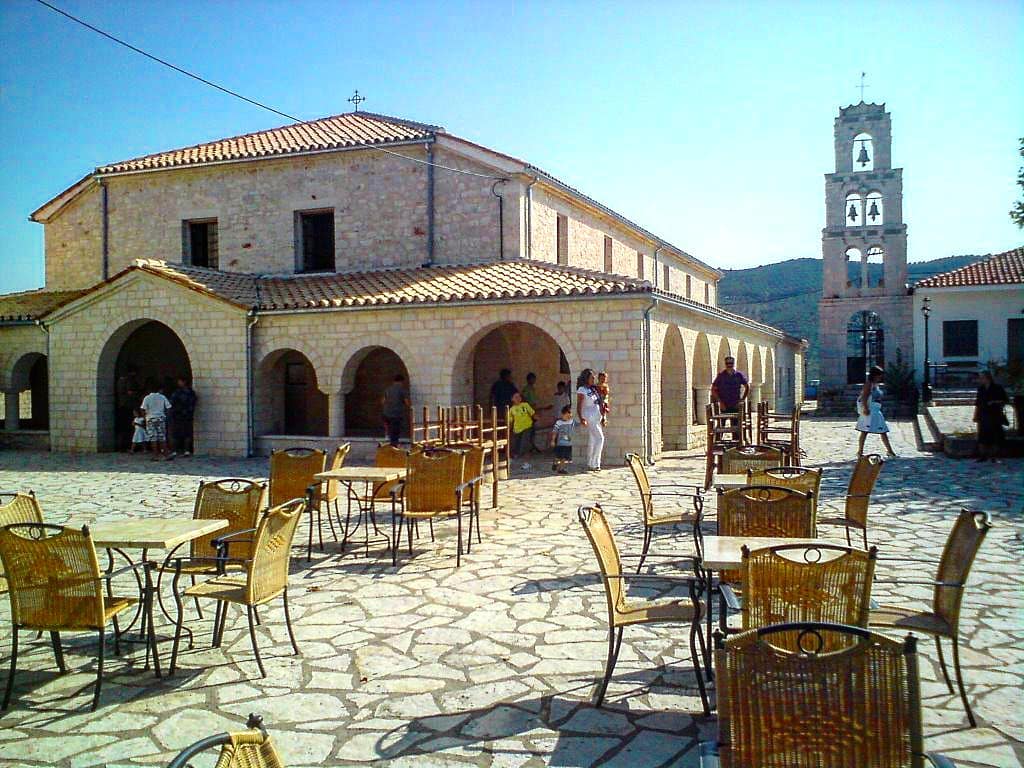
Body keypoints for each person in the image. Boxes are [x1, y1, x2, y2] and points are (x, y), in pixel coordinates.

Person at [856, 365, 897, 458]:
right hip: (870, 410)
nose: (880, 377)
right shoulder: (869, 384)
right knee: (865, 431)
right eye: (879, 375)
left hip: (876, 410)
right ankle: (860, 452)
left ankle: (890, 451)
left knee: (882, 430)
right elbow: (864, 397)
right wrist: (866, 408)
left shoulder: (875, 385)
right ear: (875, 375)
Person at [973, 371, 1008, 462]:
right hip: (983, 414)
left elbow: (1004, 400)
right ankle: (983, 456)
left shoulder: (997, 388)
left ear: (987, 378)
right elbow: (978, 403)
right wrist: (975, 415)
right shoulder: (981, 389)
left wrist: (994, 402)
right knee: (982, 435)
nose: (980, 380)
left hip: (994, 414)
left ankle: (994, 456)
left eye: (982, 378)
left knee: (995, 435)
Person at [576, 368, 604, 471]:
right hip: (589, 416)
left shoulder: (592, 389)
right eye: (591, 378)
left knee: (592, 439)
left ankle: (590, 462)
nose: (593, 379)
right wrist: (581, 418)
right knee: (600, 438)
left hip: (596, 416)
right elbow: (579, 405)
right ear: (586, 378)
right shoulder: (582, 389)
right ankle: (596, 463)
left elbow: (598, 402)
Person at [711, 356, 748, 430]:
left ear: (733, 364)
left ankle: (736, 437)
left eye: (731, 363)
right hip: (724, 405)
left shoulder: (738, 375)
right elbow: (713, 389)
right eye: (727, 364)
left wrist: (742, 399)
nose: (729, 365)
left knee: (736, 427)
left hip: (735, 405)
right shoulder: (721, 376)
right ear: (725, 364)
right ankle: (719, 437)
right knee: (721, 426)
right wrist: (720, 402)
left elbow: (747, 387)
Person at [141, 378, 173, 461]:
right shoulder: (162, 397)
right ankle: (166, 454)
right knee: (162, 436)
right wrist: (166, 416)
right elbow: (169, 407)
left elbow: (143, 409)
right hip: (160, 418)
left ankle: (155, 455)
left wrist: (144, 418)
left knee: (153, 438)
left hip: (150, 419)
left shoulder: (147, 398)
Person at [169, 377, 197, 457]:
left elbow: (171, 402)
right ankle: (186, 450)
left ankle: (175, 450)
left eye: (180, 381)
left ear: (184, 382)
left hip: (178, 416)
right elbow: (193, 403)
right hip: (187, 415)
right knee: (187, 434)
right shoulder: (191, 393)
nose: (178, 383)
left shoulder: (177, 393)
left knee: (176, 434)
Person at [381, 373, 410, 447]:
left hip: (386, 413)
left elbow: (383, 401)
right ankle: (393, 447)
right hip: (396, 414)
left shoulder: (388, 389)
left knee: (389, 430)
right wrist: (410, 407)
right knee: (395, 432)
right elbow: (407, 402)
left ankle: (387, 441)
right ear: (401, 381)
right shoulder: (402, 390)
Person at [509, 392, 535, 465]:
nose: (518, 398)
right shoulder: (511, 409)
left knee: (525, 445)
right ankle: (513, 458)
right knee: (515, 445)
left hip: (527, 427)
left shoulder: (525, 405)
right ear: (512, 399)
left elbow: (533, 413)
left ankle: (526, 463)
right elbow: (510, 421)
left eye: (519, 397)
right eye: (515, 397)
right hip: (517, 430)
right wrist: (509, 430)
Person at [549, 404, 575, 474]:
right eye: (568, 413)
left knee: (565, 458)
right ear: (563, 414)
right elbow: (555, 432)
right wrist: (553, 440)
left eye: (570, 413)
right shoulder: (559, 423)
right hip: (560, 444)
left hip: (569, 444)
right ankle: (555, 462)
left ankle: (561, 469)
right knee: (559, 456)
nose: (569, 415)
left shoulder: (572, 422)